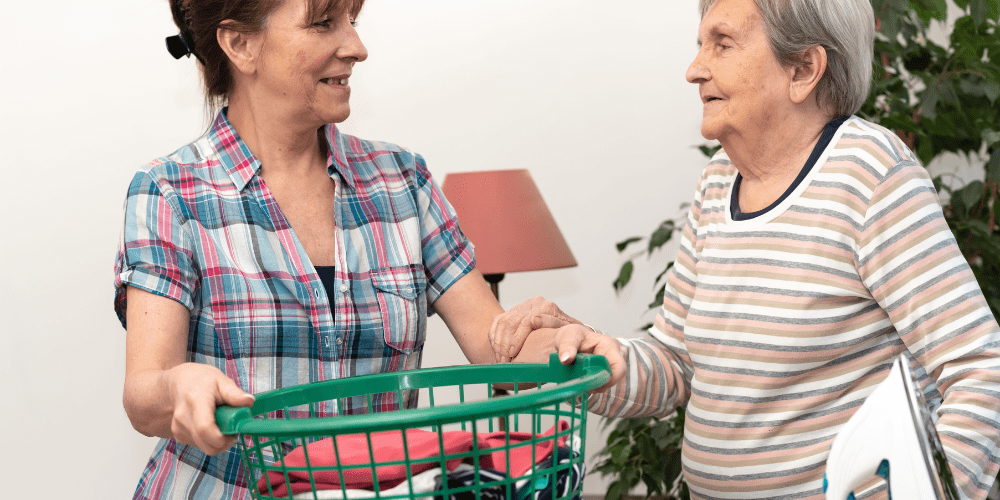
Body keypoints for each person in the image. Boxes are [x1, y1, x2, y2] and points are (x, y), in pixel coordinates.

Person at [491, 0, 1000, 499]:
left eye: (723, 44)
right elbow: (676, 364)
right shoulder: (719, 181)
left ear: (803, 69)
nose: (694, 70)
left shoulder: (868, 174)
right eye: (700, 46)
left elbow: (982, 370)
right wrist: (603, 358)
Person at [114, 0, 510, 498]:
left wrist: (558, 344)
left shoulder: (403, 180)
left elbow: (497, 340)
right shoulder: (170, 191)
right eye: (323, 24)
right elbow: (143, 392)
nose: (357, 48)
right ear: (241, 44)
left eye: (353, 22)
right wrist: (180, 385)